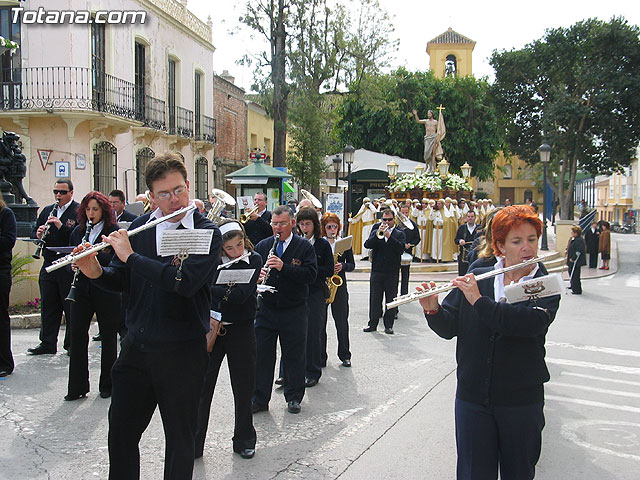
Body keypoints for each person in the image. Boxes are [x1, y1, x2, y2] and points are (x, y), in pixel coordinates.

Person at [73, 153, 221, 479]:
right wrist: (94, 269)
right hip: (137, 350)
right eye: (164, 194)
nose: (174, 200)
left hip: (183, 353)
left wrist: (130, 257)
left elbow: (183, 284)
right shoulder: (140, 228)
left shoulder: (206, 232)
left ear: (189, 186)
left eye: (179, 190)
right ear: (151, 196)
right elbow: (120, 280)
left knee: (180, 441)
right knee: (121, 434)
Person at [418, 205, 561, 480]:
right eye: (517, 241)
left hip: (520, 401)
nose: (527, 248)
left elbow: (525, 324)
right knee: (473, 473)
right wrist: (432, 309)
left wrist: (479, 302)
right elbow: (451, 326)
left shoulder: (545, 283)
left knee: (518, 473)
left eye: (532, 239)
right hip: (472, 399)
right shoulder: (480, 271)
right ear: (500, 246)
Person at [195, 219, 261, 460]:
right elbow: (200, 290)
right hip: (212, 328)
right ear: (221, 248)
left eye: (239, 244)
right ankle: (194, 443)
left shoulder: (254, 259)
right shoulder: (210, 263)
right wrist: (222, 288)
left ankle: (244, 440)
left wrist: (215, 288)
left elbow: (243, 296)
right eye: (230, 248)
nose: (236, 252)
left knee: (243, 388)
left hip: (241, 331)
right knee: (203, 388)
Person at [252, 205, 317, 415]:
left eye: (282, 224)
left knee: (294, 355)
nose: (277, 228)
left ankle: (294, 397)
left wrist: (284, 267)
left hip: (294, 309)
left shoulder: (303, 246)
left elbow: (310, 275)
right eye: (274, 223)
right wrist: (258, 277)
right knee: (262, 355)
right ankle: (259, 398)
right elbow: (251, 273)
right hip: (267, 309)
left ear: (291, 223)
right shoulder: (262, 246)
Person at [65, 191, 121, 401]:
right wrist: (74, 263)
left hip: (106, 289)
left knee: (108, 336)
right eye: (87, 209)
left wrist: (93, 261)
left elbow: (117, 262)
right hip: (81, 288)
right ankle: (77, 386)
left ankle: (108, 384)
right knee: (77, 335)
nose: (91, 213)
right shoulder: (78, 231)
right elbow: (70, 255)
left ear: (104, 210)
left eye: (95, 209)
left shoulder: (113, 231)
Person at [28, 180, 79, 355]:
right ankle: (47, 343)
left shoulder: (78, 211)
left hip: (67, 265)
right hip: (49, 262)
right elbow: (33, 231)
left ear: (71, 193)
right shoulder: (47, 210)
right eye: (56, 192)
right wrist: (38, 234)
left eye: (62, 192)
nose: (58, 195)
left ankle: (72, 344)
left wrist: (61, 226)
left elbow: (78, 237)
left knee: (70, 306)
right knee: (49, 305)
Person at [296, 207, 333, 388]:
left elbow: (329, 269)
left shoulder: (322, 244)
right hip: (297, 291)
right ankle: (289, 372)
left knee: (313, 333)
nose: (305, 228)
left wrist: (311, 267)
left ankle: (313, 371)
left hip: (316, 291)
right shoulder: (296, 242)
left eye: (308, 224)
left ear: (315, 225)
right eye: (302, 224)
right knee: (294, 333)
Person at [363, 208, 406, 334]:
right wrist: (379, 234)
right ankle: (372, 324)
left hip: (392, 271)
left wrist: (389, 236)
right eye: (384, 219)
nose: (386, 222)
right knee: (375, 299)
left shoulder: (399, 233)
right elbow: (367, 244)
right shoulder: (376, 230)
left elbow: (400, 249)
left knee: (391, 299)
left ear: (394, 220)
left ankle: (388, 325)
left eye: (389, 220)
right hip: (377, 270)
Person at [321, 213, 354, 367]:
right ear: (324, 228)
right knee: (320, 324)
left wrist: (343, 266)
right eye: (329, 227)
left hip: (339, 286)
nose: (332, 230)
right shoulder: (319, 243)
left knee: (341, 322)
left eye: (335, 227)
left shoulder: (344, 243)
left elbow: (352, 264)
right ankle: (321, 356)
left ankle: (345, 355)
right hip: (322, 286)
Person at [0, 197, 17, 377]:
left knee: (1, 318)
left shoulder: (5, 214)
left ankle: (5, 362)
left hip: (1, 271)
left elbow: (8, 241)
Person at [398, 204, 420, 296]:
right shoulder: (395, 224)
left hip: (407, 252)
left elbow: (417, 238)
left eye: (406, 212)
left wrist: (410, 244)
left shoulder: (413, 225)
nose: (404, 214)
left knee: (405, 274)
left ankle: (404, 294)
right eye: (402, 213)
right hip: (396, 252)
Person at [454, 210, 481, 275]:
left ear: (475, 217)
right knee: (463, 274)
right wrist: (460, 241)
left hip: (476, 255)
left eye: (472, 216)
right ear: (466, 218)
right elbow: (456, 240)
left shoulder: (479, 228)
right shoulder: (462, 228)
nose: (470, 218)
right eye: (468, 216)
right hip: (464, 255)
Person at [566, 225, 586, 295]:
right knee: (571, 272)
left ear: (576, 233)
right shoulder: (573, 239)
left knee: (575, 275)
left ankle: (577, 289)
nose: (571, 233)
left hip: (576, 261)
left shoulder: (579, 240)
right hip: (571, 259)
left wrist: (573, 258)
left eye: (572, 232)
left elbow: (579, 250)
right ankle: (573, 285)